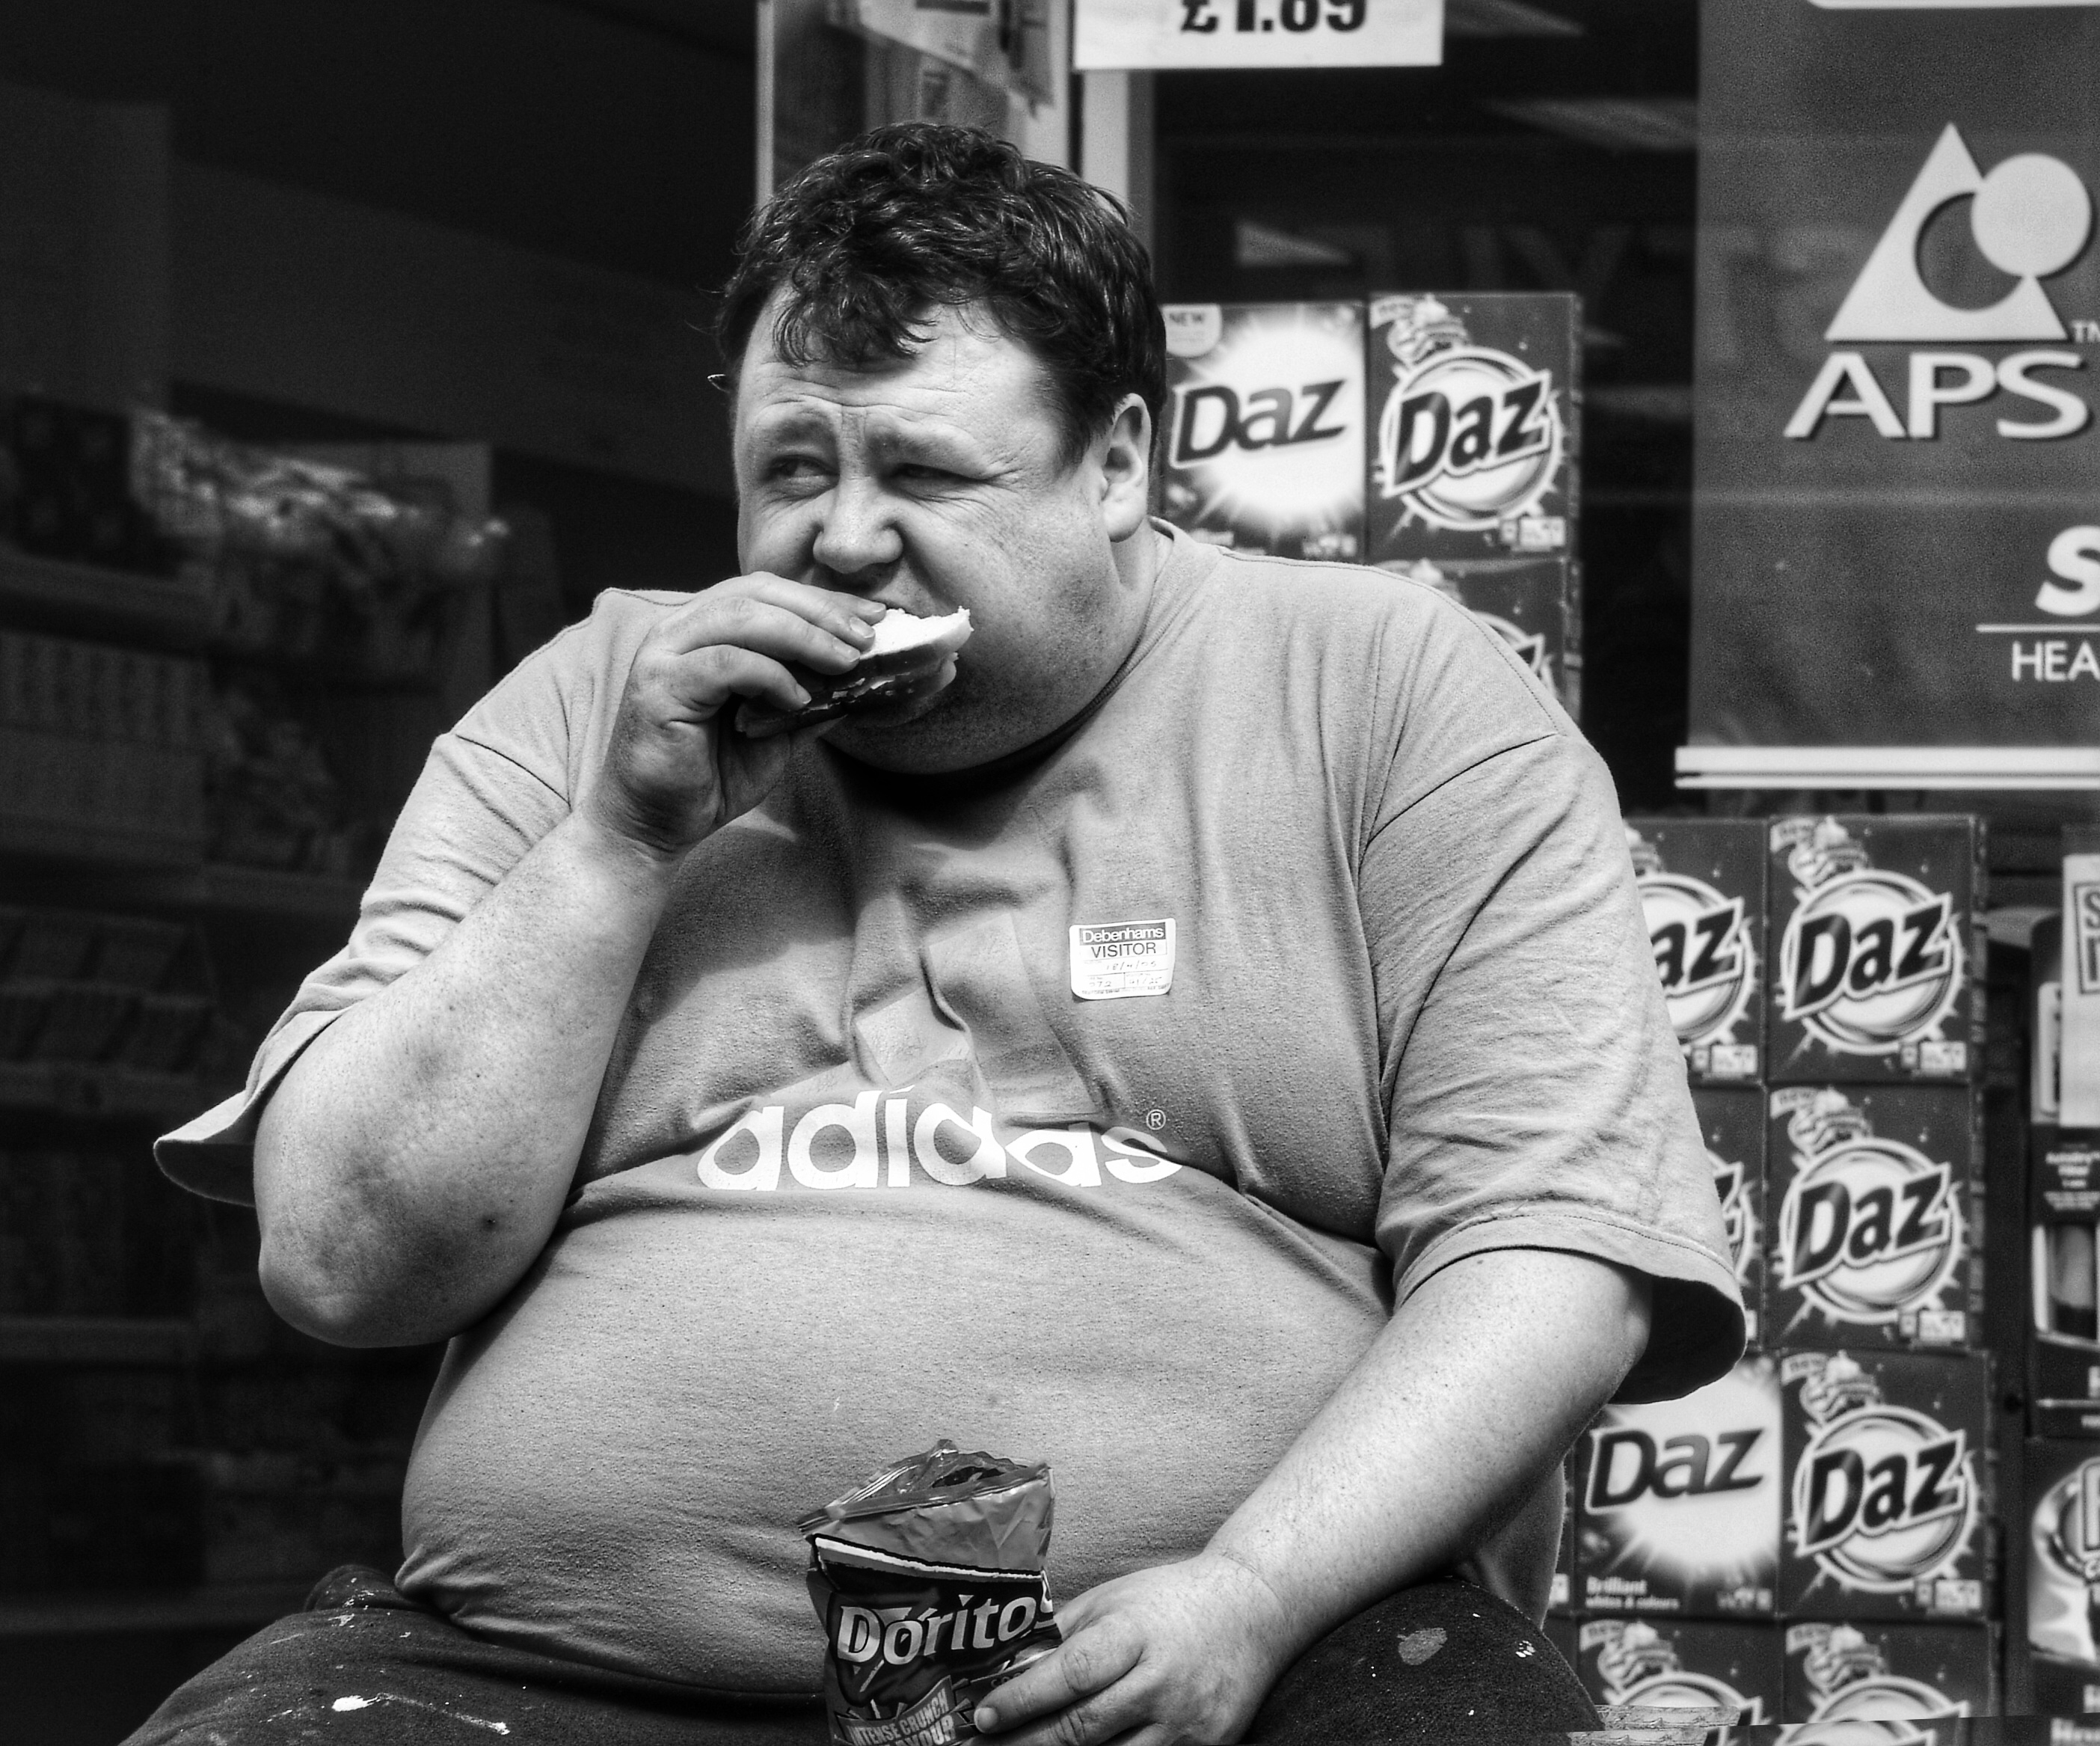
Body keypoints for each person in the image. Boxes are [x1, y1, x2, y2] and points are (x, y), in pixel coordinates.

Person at [136, 123, 1740, 1745]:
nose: (843, 539)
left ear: (1118, 464)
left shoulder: (1389, 697)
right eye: (792, 470)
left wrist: (1252, 1592)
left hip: (1251, 1653)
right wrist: (620, 842)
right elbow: (342, 1263)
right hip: (562, 1678)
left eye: (922, 473)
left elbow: (1557, 1260)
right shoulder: (594, 709)